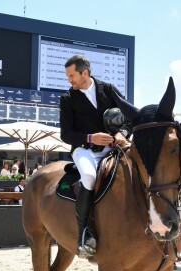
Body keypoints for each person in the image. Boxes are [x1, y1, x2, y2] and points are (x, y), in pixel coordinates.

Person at [60, 55, 131, 257]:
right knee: (90, 177)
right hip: (84, 150)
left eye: (71, 75)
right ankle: (84, 233)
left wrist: (122, 133)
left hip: (114, 147)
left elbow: (131, 116)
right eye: (68, 76)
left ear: (85, 73)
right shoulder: (67, 98)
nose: (69, 80)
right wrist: (91, 137)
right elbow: (66, 134)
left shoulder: (108, 89)